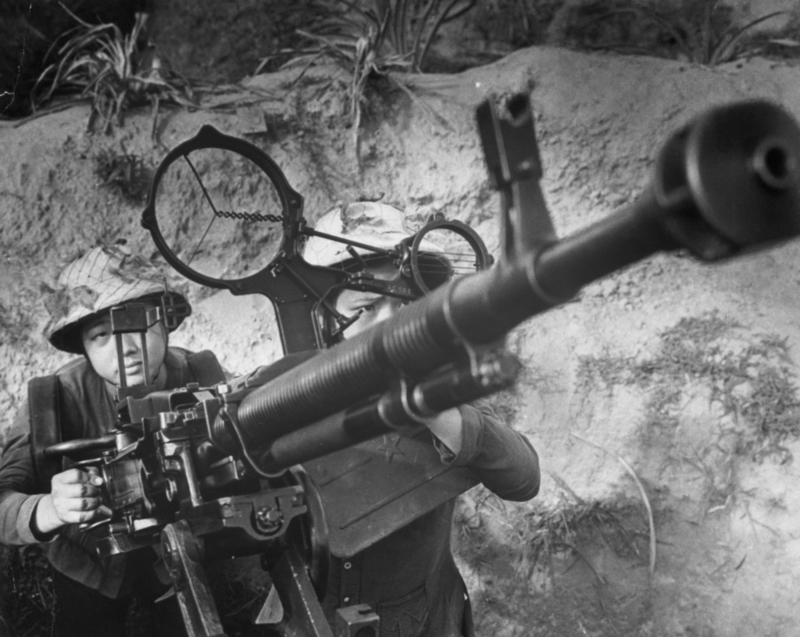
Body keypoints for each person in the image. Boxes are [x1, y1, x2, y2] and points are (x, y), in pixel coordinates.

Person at [302, 202, 541, 637]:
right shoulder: (285, 393)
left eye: (403, 305)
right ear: (322, 318)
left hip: (423, 622)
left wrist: (433, 412)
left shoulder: (439, 385)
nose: (387, 325)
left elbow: (523, 477)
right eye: (366, 306)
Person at [0, 244, 226, 637]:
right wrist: (50, 508)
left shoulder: (200, 373)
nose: (127, 349)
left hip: (184, 552)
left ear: (166, 323)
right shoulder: (54, 398)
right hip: (89, 565)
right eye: (101, 335)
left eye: (138, 323)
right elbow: (3, 502)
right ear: (82, 346)